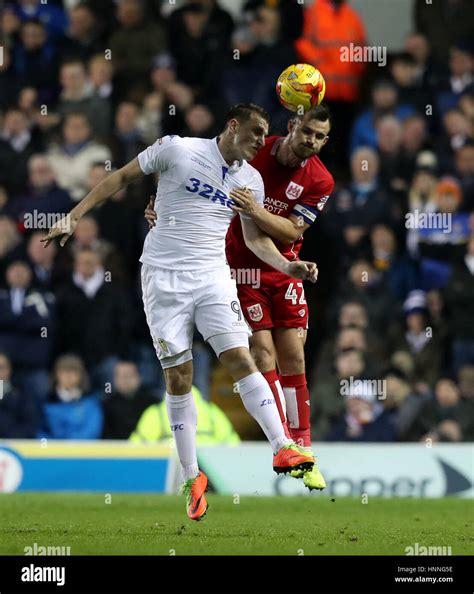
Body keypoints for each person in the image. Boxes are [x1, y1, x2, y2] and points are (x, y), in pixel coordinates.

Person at [42, 103, 318, 521]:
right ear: (232, 125)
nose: (264, 140)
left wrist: (287, 265)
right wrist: (73, 217)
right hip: (163, 278)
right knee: (178, 375)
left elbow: (256, 240)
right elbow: (120, 178)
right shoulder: (177, 149)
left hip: (212, 277)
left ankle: (281, 447)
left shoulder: (251, 180)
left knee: (241, 359)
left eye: (266, 134)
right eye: (258, 131)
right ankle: (192, 477)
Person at [146, 106, 332, 489]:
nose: (312, 141)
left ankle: (302, 446)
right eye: (307, 132)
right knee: (260, 354)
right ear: (292, 127)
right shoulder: (253, 150)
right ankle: (279, 442)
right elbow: (195, 181)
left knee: (294, 353)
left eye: (320, 136)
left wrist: (256, 212)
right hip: (236, 268)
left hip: (281, 263)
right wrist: (164, 211)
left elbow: (291, 231)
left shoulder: (320, 179)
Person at [130, 385, 240, 445]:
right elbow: (234, 447)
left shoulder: (155, 413)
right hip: (209, 478)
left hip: (170, 478)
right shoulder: (212, 411)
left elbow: (135, 452)